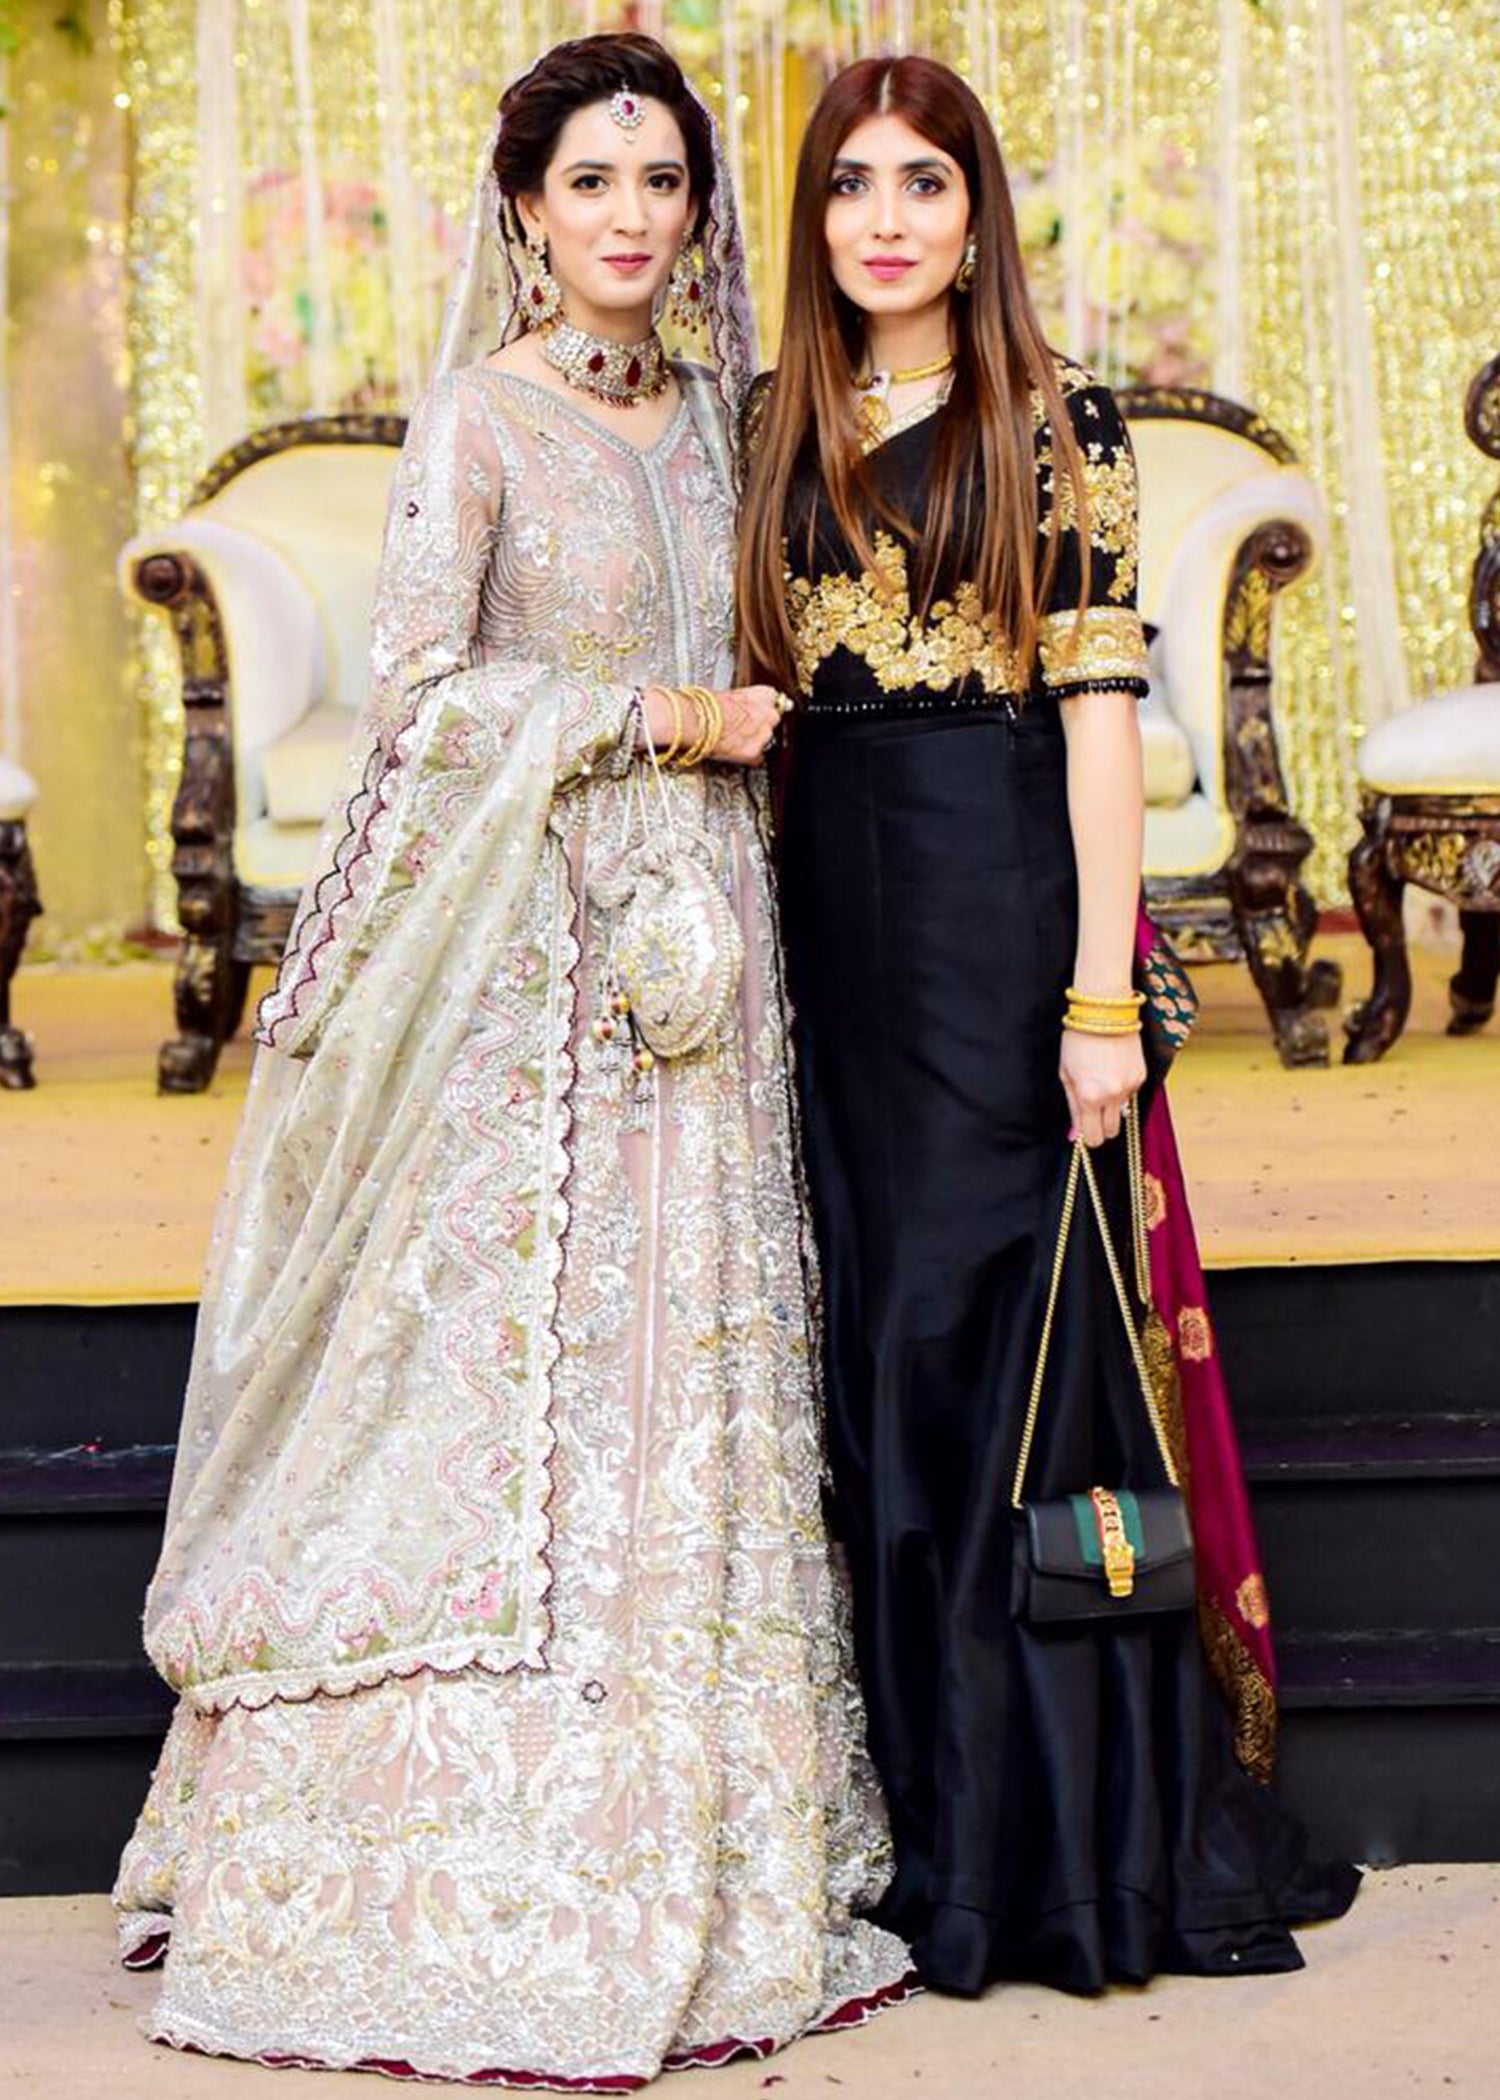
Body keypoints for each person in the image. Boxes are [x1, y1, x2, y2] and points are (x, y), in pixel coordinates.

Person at [112, 35, 912, 2084]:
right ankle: (470, 1844)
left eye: (662, 181)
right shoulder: (479, 418)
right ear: (528, 213)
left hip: (716, 954)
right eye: (590, 183)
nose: (630, 217)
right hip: (532, 962)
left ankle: (703, 1827)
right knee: (518, 1378)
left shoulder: (731, 419)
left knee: (694, 1363)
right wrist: (654, 718)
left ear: (696, 211)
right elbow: (418, 694)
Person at [737, 53, 1359, 1999]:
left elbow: (1100, 727)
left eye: (924, 181)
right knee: (881, 1367)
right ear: (814, 218)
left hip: (1001, 928)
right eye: (853, 184)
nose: (888, 219)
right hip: (826, 943)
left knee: (1002, 1356)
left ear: (975, 211)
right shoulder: (770, 419)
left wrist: (1102, 998)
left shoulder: (1052, 418)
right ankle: (925, 1828)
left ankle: (1062, 1861)